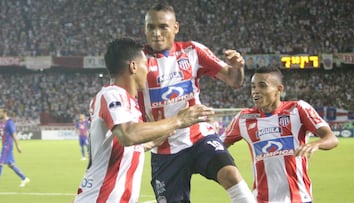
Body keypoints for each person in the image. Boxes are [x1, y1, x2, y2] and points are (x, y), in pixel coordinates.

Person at [138, 2, 255, 203]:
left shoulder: (193, 51)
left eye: (163, 26)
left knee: (230, 175)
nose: (156, 33)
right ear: (145, 29)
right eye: (151, 27)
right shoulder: (137, 61)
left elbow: (234, 80)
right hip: (164, 150)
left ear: (175, 27)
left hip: (199, 137)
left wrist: (237, 67)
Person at [73, 37, 215, 203]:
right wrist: (178, 120)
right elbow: (129, 135)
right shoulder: (111, 94)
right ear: (133, 66)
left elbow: (130, 145)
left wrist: (161, 136)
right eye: (145, 65)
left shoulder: (128, 102)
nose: (148, 71)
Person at [221, 66, 339, 203]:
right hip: (262, 200)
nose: (255, 91)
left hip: (299, 198)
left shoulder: (298, 109)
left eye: (262, 86)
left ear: (279, 89)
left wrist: (316, 144)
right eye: (253, 87)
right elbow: (217, 146)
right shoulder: (243, 118)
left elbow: (331, 138)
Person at [0, 108, 30, 187]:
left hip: (8, 145)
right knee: (11, 164)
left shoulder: (9, 122)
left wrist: (18, 146)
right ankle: (24, 178)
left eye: (0, 112)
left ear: (4, 112)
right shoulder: (1, 122)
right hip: (4, 145)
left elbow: (14, 135)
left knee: (0, 163)